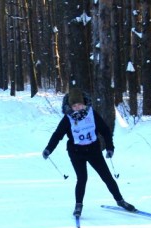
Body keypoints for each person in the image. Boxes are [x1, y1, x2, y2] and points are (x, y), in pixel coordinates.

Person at [42, 87, 136, 217]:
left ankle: (120, 201)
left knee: (107, 177)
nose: (78, 108)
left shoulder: (92, 114)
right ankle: (78, 205)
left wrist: (110, 147)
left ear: (84, 103)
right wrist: (48, 149)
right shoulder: (67, 119)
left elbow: (105, 130)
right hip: (76, 153)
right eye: (74, 105)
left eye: (80, 104)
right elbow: (57, 135)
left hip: (93, 151)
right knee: (82, 178)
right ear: (70, 106)